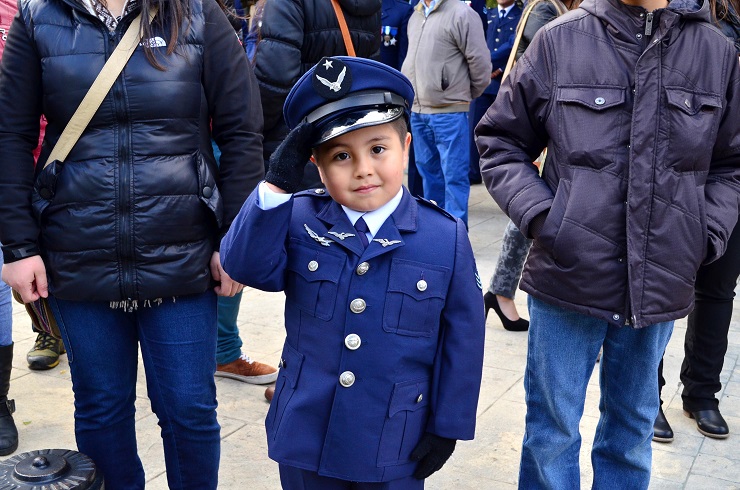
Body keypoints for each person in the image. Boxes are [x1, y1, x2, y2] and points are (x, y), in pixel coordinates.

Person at [476, 0, 740, 487]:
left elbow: (731, 163)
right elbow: (500, 141)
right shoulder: (560, 40)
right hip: (567, 274)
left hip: (660, 279)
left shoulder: (715, 53)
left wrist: (703, 235)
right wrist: (545, 219)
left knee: (632, 430)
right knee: (551, 432)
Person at [0, 0, 264, 485]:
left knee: (189, 409)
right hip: (77, 250)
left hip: (182, 251)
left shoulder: (197, 12)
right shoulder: (39, 18)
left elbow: (242, 132)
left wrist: (235, 239)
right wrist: (18, 246)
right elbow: (10, 136)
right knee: (101, 407)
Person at [221, 56, 486, 489]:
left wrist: (448, 425)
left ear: (406, 147)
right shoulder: (298, 217)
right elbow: (243, 266)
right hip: (307, 432)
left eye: (378, 149)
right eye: (341, 156)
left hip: (395, 438)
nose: (363, 168)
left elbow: (463, 339)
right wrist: (275, 185)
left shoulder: (444, 236)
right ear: (316, 165)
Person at [653, 0, 740, 445]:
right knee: (656, 284)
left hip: (732, 178)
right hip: (679, 175)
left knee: (719, 289)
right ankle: (647, 394)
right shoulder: (697, 18)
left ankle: (702, 392)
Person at [482, 0, 577, 332]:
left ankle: (500, 291)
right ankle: (501, 292)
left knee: (531, 208)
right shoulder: (546, 9)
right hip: (542, 123)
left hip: (543, 121)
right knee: (532, 208)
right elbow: (555, 65)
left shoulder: (546, 7)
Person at [254, 0, 381, 190]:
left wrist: (254, 128)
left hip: (293, 141)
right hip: (349, 135)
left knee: (296, 206)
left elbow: (275, 79)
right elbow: (370, 71)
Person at [402, 0, 491, 226]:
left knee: (454, 178)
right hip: (418, 111)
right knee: (429, 176)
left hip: (449, 112)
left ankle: (456, 235)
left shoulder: (462, 14)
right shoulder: (416, 15)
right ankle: (436, 231)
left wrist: (462, 94)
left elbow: (480, 62)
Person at [468, 0, 522, 186]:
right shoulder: (487, 14)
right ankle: (473, 171)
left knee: (504, 131)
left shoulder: (521, 15)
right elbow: (476, 41)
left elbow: (515, 45)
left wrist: (497, 66)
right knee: (475, 127)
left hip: (505, 80)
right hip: (483, 82)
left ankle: (504, 173)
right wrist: (482, 66)